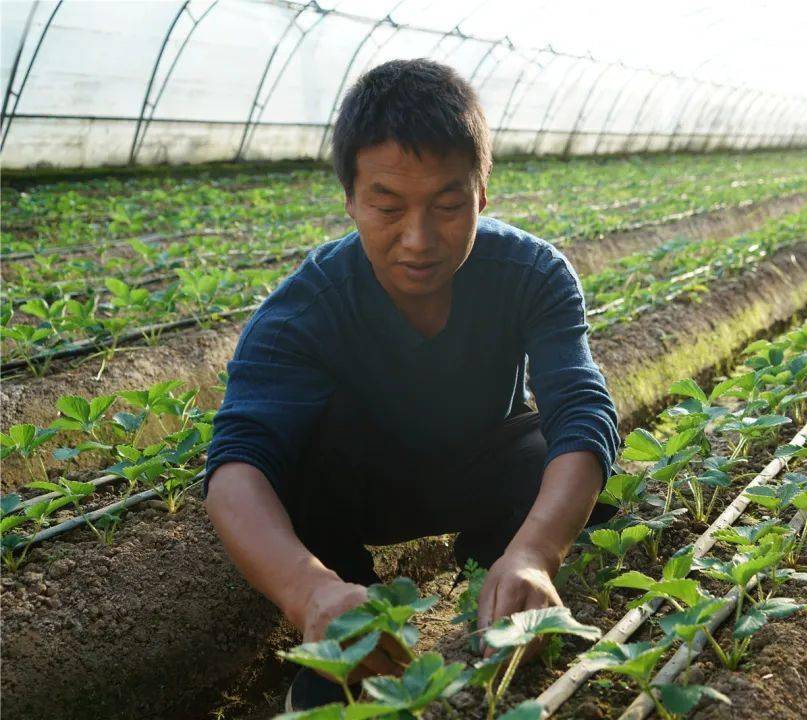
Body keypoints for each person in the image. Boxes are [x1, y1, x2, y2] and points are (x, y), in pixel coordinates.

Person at [202, 58, 620, 711]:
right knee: (286, 465)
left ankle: (501, 584)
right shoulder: (305, 309)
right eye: (387, 206)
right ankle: (345, 642)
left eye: (448, 205)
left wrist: (537, 552)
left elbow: (583, 407)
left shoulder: (532, 274)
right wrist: (309, 590)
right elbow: (235, 470)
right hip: (356, 492)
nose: (418, 240)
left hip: (477, 470)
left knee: (548, 449)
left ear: (483, 193)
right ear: (350, 199)